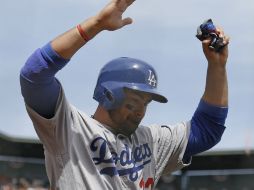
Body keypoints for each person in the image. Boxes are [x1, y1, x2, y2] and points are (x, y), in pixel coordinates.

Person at [20, 0, 230, 189]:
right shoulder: (69, 129)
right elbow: (34, 74)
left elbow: (206, 130)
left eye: (146, 103)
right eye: (133, 102)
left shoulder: (151, 141)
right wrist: (96, 24)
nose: (140, 112)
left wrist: (217, 67)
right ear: (108, 95)